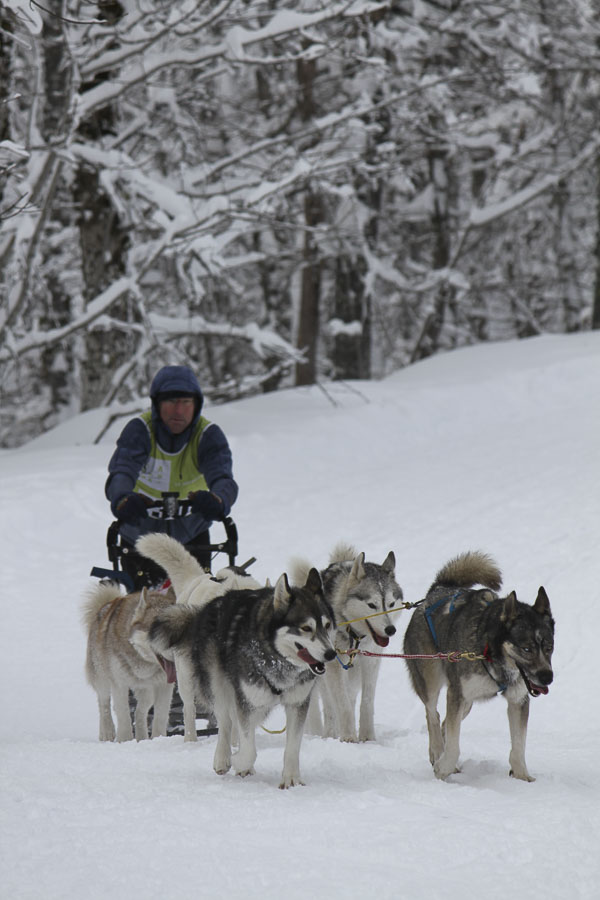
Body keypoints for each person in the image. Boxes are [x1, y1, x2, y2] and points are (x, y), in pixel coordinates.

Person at [105, 364, 238, 589]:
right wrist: (123, 499)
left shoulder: (208, 436)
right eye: (171, 402)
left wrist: (218, 499)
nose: (179, 411)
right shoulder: (140, 430)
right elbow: (122, 471)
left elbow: (224, 479)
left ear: (197, 405)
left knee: (195, 608)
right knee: (142, 611)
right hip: (141, 533)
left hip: (191, 535)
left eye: (186, 403)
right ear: (157, 404)